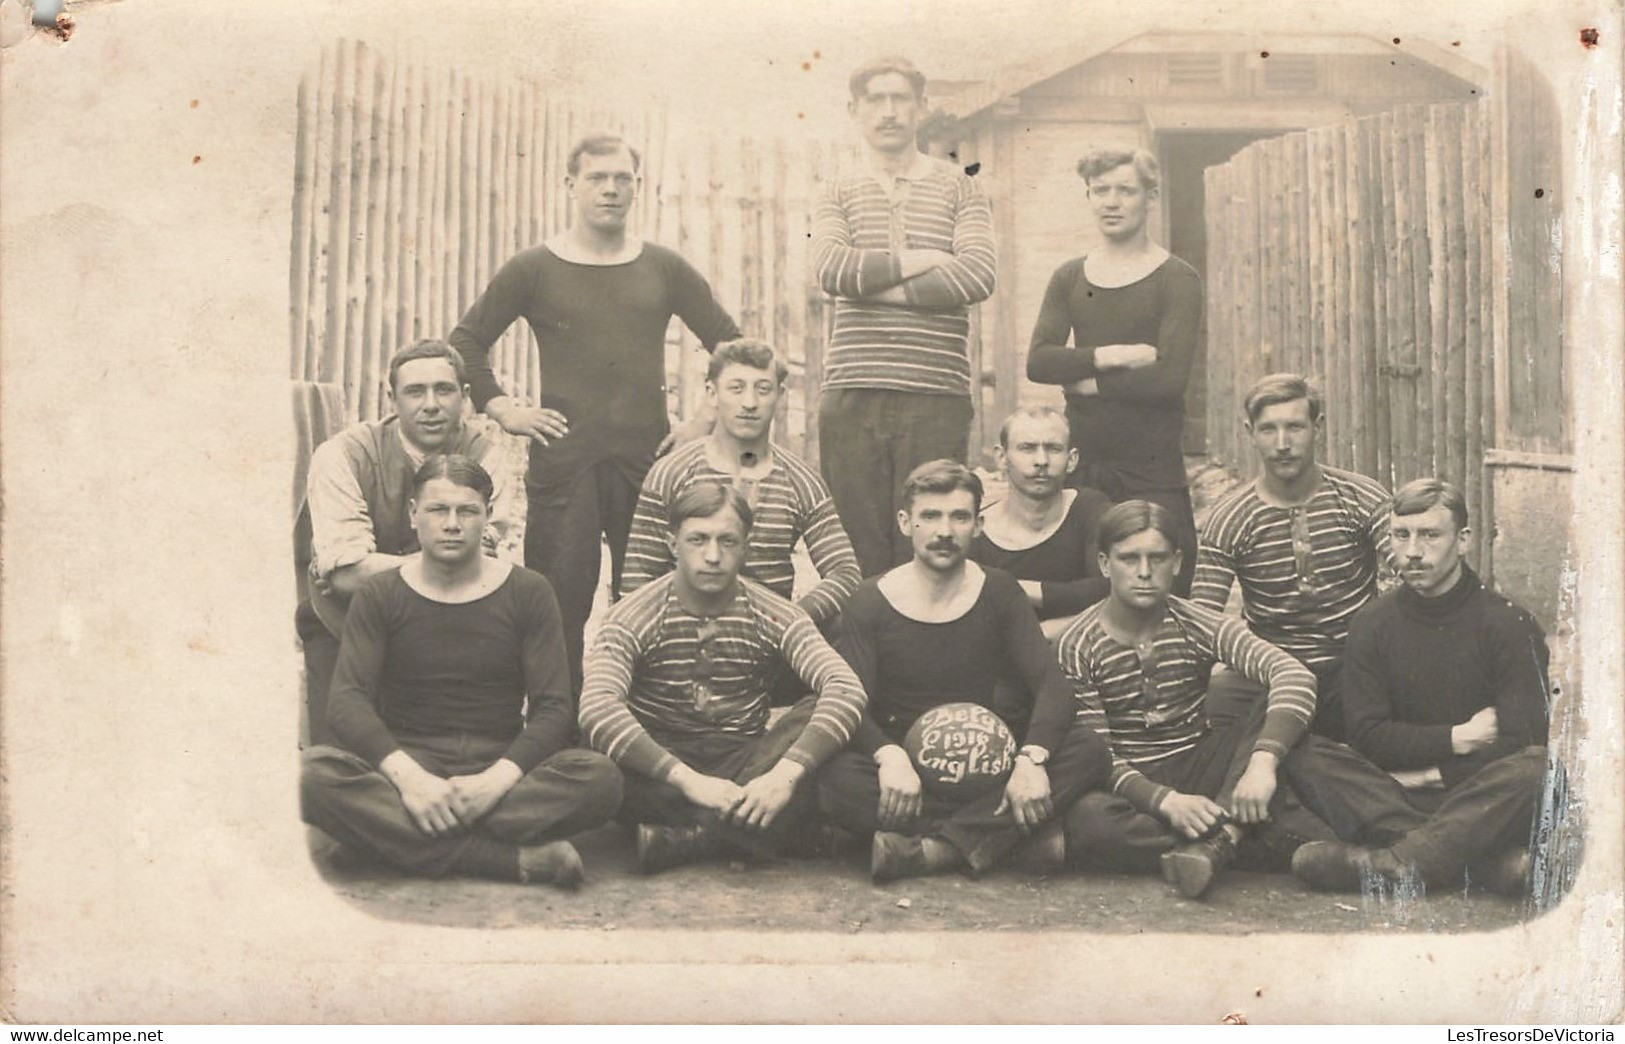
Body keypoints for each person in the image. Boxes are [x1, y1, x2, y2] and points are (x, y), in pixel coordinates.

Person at [448, 132, 742, 694]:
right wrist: (504, 408)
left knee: (653, 598)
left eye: (622, 179)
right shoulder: (534, 267)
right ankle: (560, 731)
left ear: (637, 187)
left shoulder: (663, 268)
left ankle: (645, 722)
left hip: (649, 462)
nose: (610, 189)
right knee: (558, 603)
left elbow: (731, 345)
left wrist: (702, 421)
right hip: (565, 463)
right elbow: (466, 341)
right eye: (596, 178)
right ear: (570, 186)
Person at [300, 455, 622, 888]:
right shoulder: (380, 593)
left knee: (601, 780)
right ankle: (504, 860)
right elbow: (347, 701)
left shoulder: (528, 592)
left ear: (487, 517)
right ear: (414, 515)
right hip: (406, 764)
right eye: (438, 510)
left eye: (467, 510)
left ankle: (383, 837)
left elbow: (553, 707)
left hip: (496, 762)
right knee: (311, 775)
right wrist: (411, 781)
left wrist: (495, 781)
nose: (452, 524)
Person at [816, 460, 1112, 882]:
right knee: (835, 776)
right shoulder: (871, 599)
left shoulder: (998, 590)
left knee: (1088, 750)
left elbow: (1050, 684)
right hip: (909, 774)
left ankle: (934, 850)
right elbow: (848, 700)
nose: (944, 531)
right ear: (906, 523)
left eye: (959, 517)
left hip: (990, 766)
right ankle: (1008, 837)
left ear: (978, 525)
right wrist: (889, 756)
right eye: (930, 516)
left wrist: (1030, 760)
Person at [1056, 499, 1363, 900]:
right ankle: (1233, 834)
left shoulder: (1197, 621)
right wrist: (1164, 800)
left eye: (1157, 558)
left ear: (1178, 562)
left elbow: (1294, 674)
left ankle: (1216, 841)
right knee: (1088, 822)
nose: (1144, 572)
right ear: (1103, 564)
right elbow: (1097, 752)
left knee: (1268, 704)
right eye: (1129, 559)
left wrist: (1262, 763)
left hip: (1203, 765)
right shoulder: (1077, 644)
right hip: (1131, 784)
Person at [578, 482, 868, 873]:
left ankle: (693, 838)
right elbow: (597, 706)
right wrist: (688, 781)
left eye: (727, 541)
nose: (712, 555)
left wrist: (783, 776)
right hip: (662, 765)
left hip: (746, 763)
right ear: (672, 543)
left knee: (820, 728)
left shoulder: (775, 613)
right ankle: (759, 830)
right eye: (698, 539)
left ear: (745, 546)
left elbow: (845, 688)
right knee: (602, 770)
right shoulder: (632, 614)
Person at [1289, 479, 1558, 896]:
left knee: (1538, 769)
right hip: (1396, 794)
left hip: (1473, 794)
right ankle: (1481, 864)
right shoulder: (1372, 624)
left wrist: (1430, 775)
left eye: (1430, 535)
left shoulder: (1509, 624)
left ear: (1463, 540)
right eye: (1402, 535)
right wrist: (1457, 739)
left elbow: (1523, 741)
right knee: (1306, 756)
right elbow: (1366, 736)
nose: (1413, 552)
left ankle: (1391, 863)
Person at [811, 55, 997, 577]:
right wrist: (925, 261)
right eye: (876, 99)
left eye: (900, 99)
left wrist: (870, 287)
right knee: (854, 555)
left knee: (931, 548)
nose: (889, 111)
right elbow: (830, 269)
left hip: (934, 392)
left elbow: (977, 276)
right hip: (854, 390)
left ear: (920, 107)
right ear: (855, 110)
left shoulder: (960, 186)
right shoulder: (837, 189)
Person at [296, 340, 516, 745]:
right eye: (415, 391)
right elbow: (345, 580)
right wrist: (451, 560)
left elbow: (487, 568)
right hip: (347, 627)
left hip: (449, 631)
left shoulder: (489, 457)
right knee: (341, 768)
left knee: (462, 753)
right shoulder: (342, 455)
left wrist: (370, 567)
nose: (430, 404)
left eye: (443, 390)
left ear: (465, 398)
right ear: (391, 398)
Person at [1026, 147, 1202, 596]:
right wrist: (1113, 355)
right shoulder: (1070, 276)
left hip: (1152, 469)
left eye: (1126, 190)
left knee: (1162, 591)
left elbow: (1167, 381)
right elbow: (1039, 361)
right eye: (1100, 190)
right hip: (1084, 469)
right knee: (1082, 591)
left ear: (1151, 197)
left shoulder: (1176, 279)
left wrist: (1083, 380)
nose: (1111, 201)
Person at [1191, 373, 1392, 740]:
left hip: (1355, 664)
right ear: (1250, 432)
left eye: (1295, 427)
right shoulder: (1230, 517)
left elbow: (1413, 569)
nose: (1282, 444)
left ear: (1317, 427)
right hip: (1271, 669)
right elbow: (1202, 621)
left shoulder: (1362, 497)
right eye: (1268, 430)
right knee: (1214, 708)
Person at [621, 338, 860, 633]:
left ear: (780, 395)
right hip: (682, 636)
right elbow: (637, 579)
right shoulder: (673, 473)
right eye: (736, 388)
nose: (750, 403)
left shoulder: (800, 480)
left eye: (763, 389)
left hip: (770, 643)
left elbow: (845, 573)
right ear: (712, 393)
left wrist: (791, 620)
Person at [970, 406, 1113, 641]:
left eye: (1053, 449)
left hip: (1082, 655)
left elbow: (1113, 590)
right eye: (1027, 448)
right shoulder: (979, 529)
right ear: (1001, 457)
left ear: (1072, 459)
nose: (1041, 461)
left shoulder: (1090, 509)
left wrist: (1012, 589)